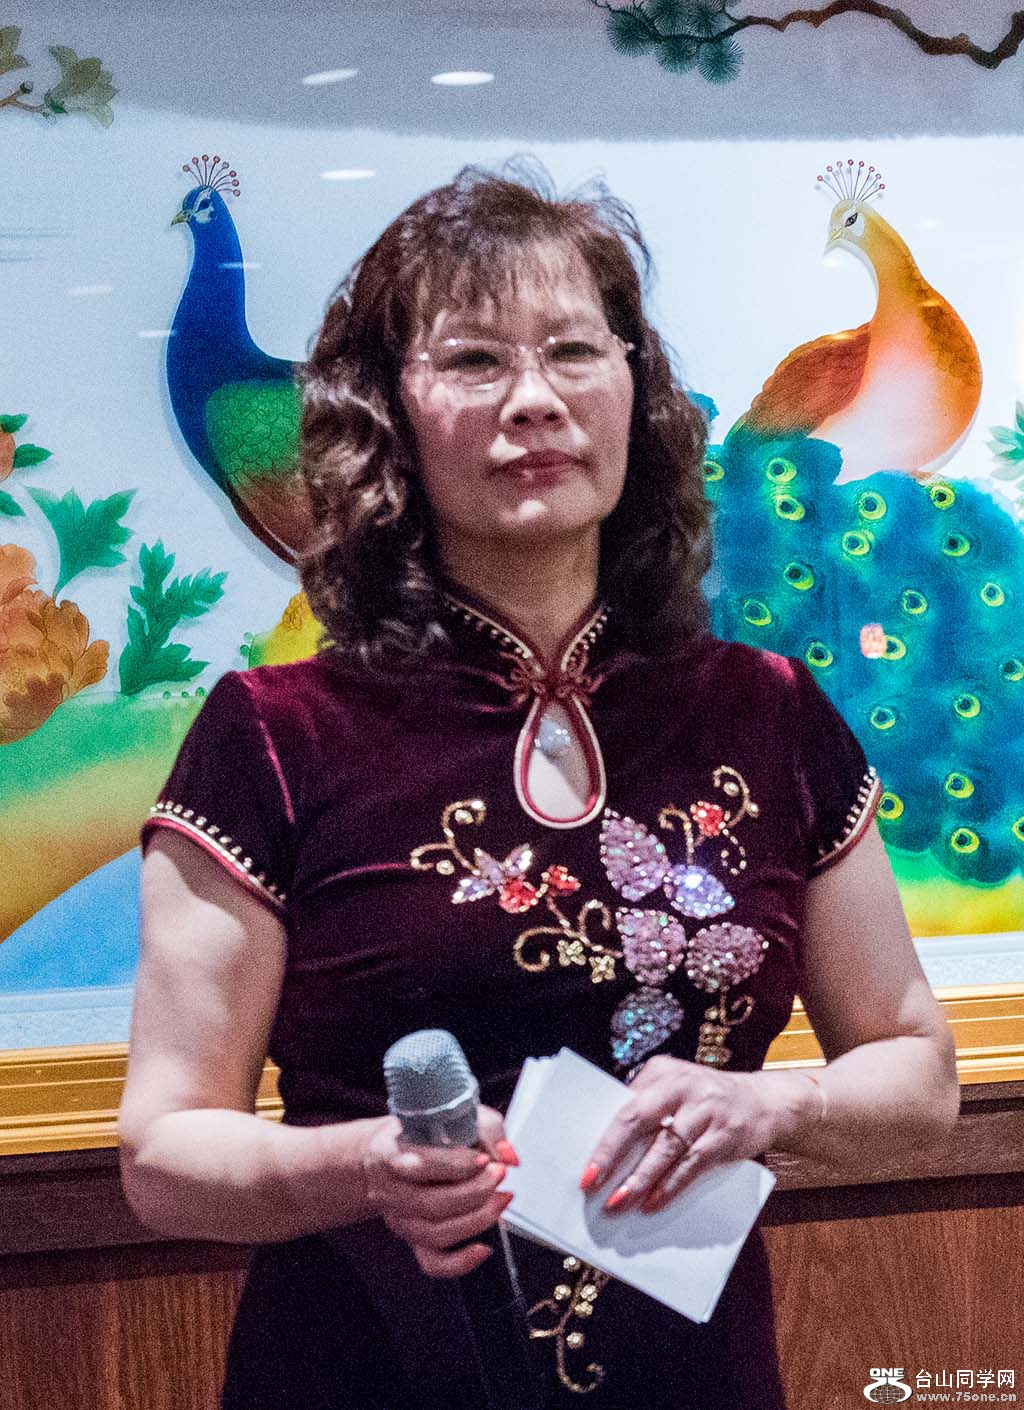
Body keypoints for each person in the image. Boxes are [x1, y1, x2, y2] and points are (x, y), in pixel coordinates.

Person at [119, 163, 959, 1410]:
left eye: (573, 350)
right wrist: (365, 1166)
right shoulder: (273, 735)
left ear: (633, 391)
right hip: (366, 1369)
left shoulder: (769, 711)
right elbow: (163, 1153)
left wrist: (771, 1107)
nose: (534, 400)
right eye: (473, 361)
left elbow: (917, 1076)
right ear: (388, 415)